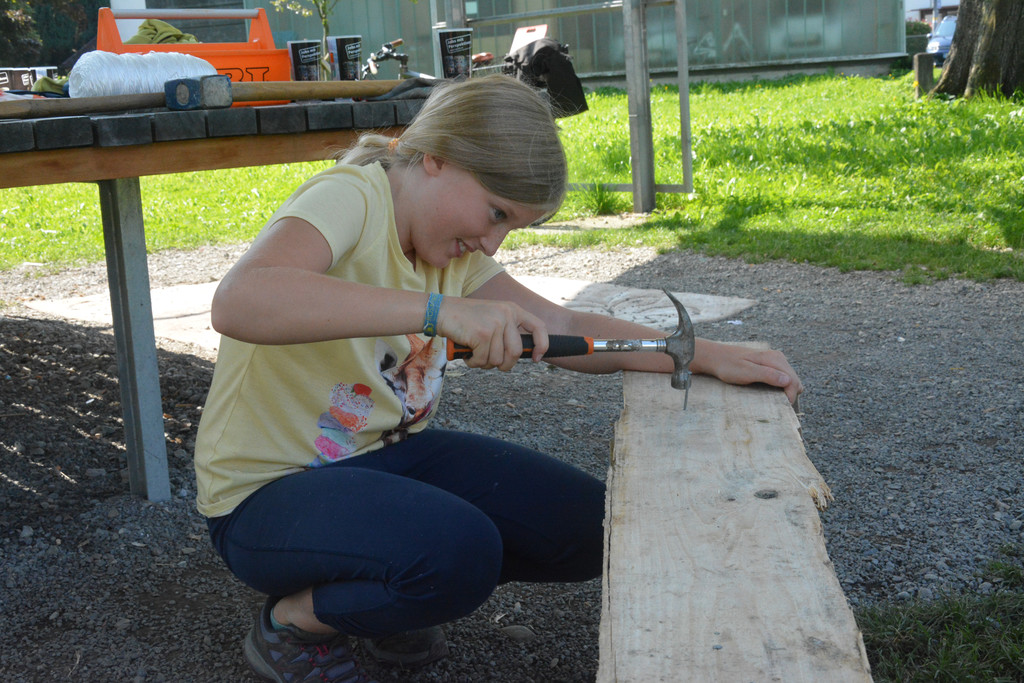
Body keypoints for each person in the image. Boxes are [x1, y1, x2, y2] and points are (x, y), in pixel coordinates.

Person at [194, 74, 803, 683]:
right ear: (436, 158)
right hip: (264, 495)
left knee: (591, 527)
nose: (492, 242)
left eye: (509, 227)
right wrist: (436, 311)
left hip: (382, 457)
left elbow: (563, 325)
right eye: (496, 213)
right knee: (459, 552)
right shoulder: (351, 196)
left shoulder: (452, 252)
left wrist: (693, 352)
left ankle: (385, 593)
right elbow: (241, 299)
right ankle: (295, 624)